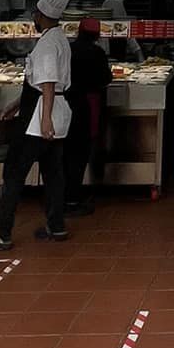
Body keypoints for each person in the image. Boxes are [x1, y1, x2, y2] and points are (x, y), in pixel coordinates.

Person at [0, 0, 74, 252]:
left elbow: (48, 82)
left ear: (41, 15)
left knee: (14, 172)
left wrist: (45, 119)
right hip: (50, 111)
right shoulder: (59, 39)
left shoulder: (47, 44)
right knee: (53, 173)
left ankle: (2, 232)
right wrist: (16, 104)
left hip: (39, 118)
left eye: (36, 16)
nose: (35, 19)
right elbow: (40, 83)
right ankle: (57, 225)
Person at [67, 14, 112, 214]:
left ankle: (63, 195)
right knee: (81, 151)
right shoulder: (97, 53)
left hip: (66, 104)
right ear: (96, 35)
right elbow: (106, 78)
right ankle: (73, 198)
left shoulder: (68, 49)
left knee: (66, 151)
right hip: (88, 104)